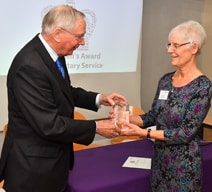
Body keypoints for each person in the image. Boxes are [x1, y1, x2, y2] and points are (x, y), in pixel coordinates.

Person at [0, 5, 127, 192]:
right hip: (32, 169)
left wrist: (100, 98)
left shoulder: (52, 55)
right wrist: (96, 127)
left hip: (50, 162)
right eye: (80, 36)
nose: (83, 42)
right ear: (58, 33)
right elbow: (49, 125)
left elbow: (64, 91)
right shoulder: (30, 65)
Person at [120, 20, 212, 191]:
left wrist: (145, 133)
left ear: (193, 48)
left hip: (184, 168)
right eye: (169, 45)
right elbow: (152, 116)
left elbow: (186, 133)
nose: (170, 50)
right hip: (159, 164)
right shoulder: (165, 80)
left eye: (175, 45)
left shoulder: (203, 86)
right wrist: (125, 118)